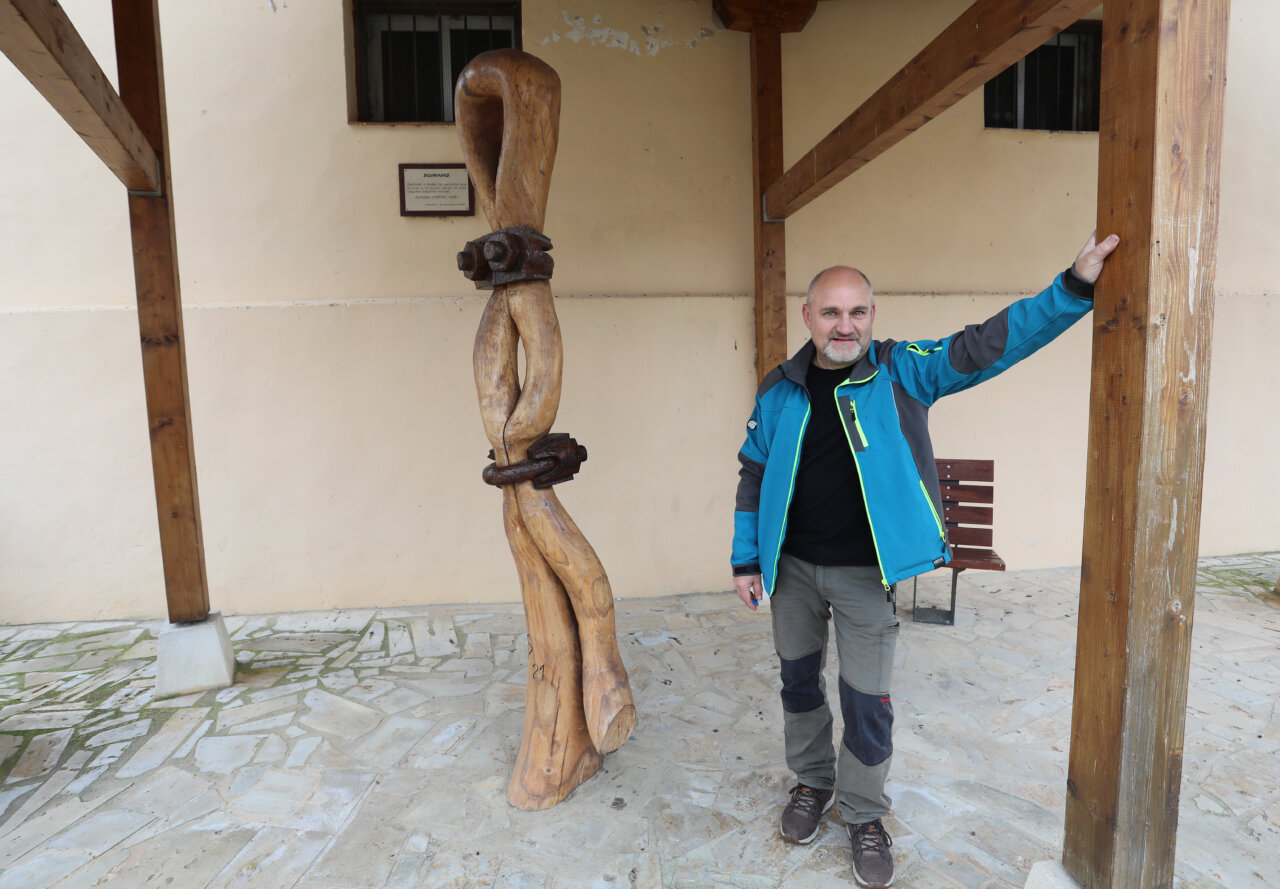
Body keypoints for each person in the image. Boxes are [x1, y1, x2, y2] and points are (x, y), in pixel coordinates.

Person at [730, 232, 1120, 888]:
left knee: (866, 699)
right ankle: (811, 783)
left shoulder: (902, 369)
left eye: (858, 312)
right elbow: (753, 473)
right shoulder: (780, 389)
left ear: (873, 317)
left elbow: (987, 345)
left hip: (863, 576)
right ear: (808, 318)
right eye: (831, 312)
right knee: (799, 684)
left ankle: (861, 809)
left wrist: (1073, 287)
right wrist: (748, 561)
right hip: (791, 570)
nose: (845, 325)